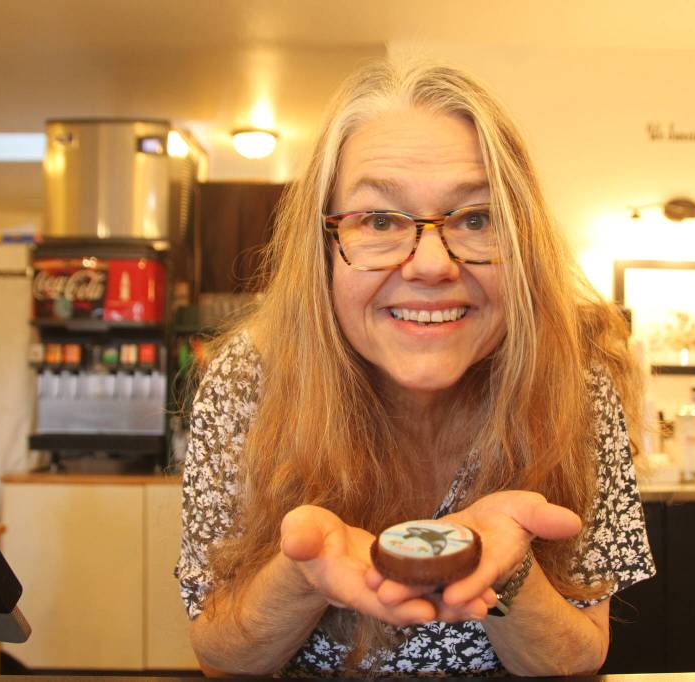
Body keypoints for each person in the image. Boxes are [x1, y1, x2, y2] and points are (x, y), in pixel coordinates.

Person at [176, 59, 655, 677]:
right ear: (321, 248)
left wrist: (507, 574)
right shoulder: (250, 379)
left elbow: (581, 654)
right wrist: (301, 574)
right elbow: (222, 659)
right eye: (379, 220)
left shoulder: (575, 379)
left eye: (477, 219)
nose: (432, 264)